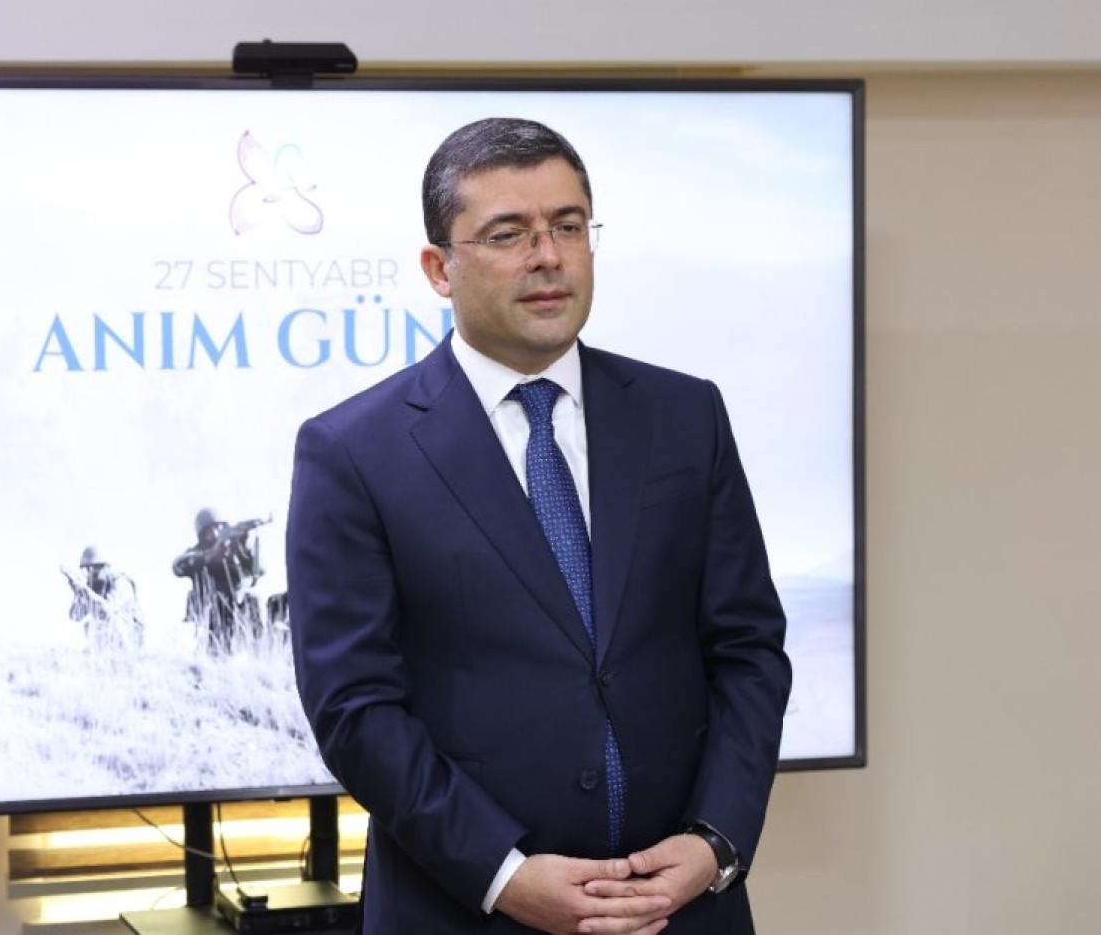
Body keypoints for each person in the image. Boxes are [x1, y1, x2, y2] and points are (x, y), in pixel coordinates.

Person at [286, 118, 791, 934]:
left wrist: (715, 841)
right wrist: (504, 874)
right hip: (467, 910)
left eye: (568, 226)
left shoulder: (685, 415)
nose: (547, 256)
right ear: (439, 268)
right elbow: (355, 708)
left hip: (682, 906)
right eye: (507, 234)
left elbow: (749, 650)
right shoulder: (353, 451)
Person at [171, 507, 269, 653]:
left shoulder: (234, 554)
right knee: (219, 604)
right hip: (211, 608)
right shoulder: (197, 553)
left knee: (253, 600)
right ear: (203, 535)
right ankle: (216, 653)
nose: (217, 532)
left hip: (236, 605)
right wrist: (210, 555)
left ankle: (259, 651)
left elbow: (259, 571)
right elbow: (178, 566)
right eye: (212, 529)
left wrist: (243, 548)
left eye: (221, 527)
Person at [63, 545, 145, 652]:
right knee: (89, 626)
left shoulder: (121, 583)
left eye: (93, 569)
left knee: (114, 622)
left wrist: (85, 591)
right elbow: (75, 616)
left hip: (130, 639)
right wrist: (78, 593)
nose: (90, 575)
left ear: (105, 567)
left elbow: (107, 611)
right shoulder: (93, 588)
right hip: (109, 645)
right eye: (86, 570)